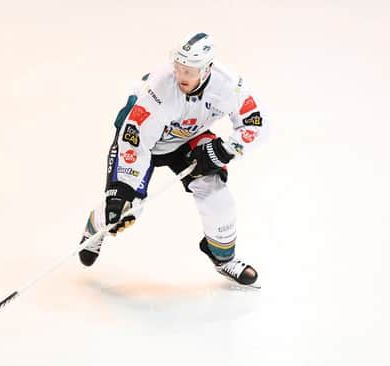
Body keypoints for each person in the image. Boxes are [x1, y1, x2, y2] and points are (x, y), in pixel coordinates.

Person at [77, 32, 267, 286]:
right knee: (126, 208)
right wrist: (120, 191)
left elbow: (256, 124)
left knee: (216, 194)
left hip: (187, 138)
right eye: (178, 68)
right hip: (143, 141)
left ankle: (223, 258)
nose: (181, 76)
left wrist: (223, 150)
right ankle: (94, 227)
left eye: (189, 71)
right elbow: (135, 140)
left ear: (207, 68)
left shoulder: (229, 86)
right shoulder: (158, 88)